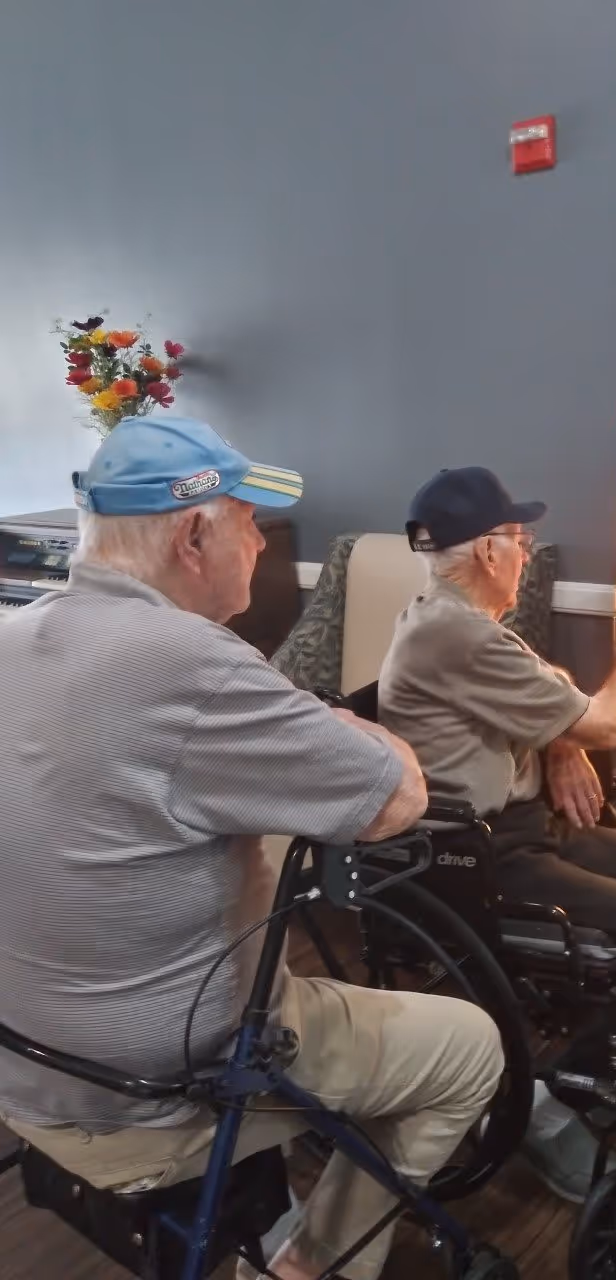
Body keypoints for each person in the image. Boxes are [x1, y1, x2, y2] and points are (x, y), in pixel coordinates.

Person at [0, 420, 504, 1280]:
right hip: (153, 1093)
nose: (260, 542)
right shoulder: (190, 661)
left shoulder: (16, 634)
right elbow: (395, 798)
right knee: (469, 1046)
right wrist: (354, 729)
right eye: (247, 521)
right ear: (193, 538)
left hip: (24, 1059)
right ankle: (311, 1266)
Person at [378, 466, 616, 1195]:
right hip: (477, 858)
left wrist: (558, 743)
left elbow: (555, 693)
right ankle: (578, 1076)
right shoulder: (456, 634)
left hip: (527, 827)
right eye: (520, 538)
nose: (527, 552)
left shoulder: (460, 619)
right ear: (488, 551)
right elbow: (605, 723)